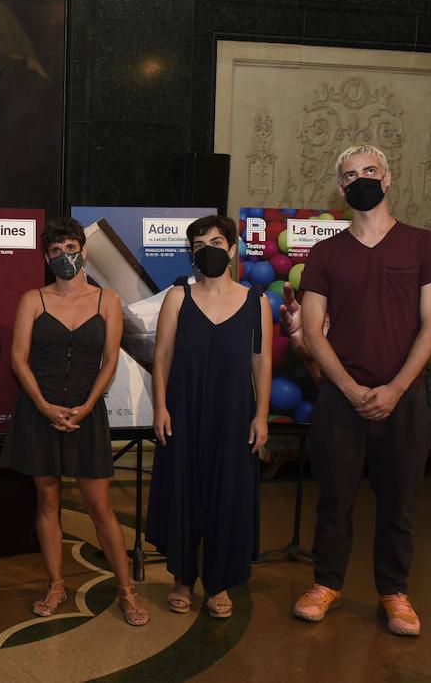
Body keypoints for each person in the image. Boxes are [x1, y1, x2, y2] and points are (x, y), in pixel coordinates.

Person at [292, 145, 431, 636]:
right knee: (334, 498)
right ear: (340, 189)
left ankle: (394, 592)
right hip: (341, 398)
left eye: (370, 171)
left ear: (388, 178)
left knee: (399, 501)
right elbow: (314, 331)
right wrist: (351, 388)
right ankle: (326, 584)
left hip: (404, 398)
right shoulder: (325, 253)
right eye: (350, 174)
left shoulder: (425, 245)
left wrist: (395, 388)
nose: (360, 179)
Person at [0, 217, 150, 625]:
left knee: (100, 506)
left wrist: (86, 405)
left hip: (88, 413)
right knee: (47, 501)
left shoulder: (108, 300)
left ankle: (127, 591)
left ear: (83, 250)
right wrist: (45, 406)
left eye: (70, 249)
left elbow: (112, 359)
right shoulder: (34, 298)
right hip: (39, 412)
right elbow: (18, 358)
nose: (64, 257)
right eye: (55, 252)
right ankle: (55, 584)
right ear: (46, 259)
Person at [147, 214, 272, 619]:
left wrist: (262, 415)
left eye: (216, 243)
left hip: (235, 416)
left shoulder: (256, 302)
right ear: (192, 255)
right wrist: (161, 406)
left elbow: (262, 362)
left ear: (233, 249)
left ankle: (218, 584)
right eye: (199, 247)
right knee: (183, 493)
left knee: (227, 497)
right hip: (183, 412)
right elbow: (161, 357)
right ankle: (182, 579)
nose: (209, 252)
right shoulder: (178, 298)